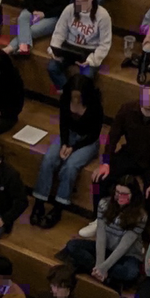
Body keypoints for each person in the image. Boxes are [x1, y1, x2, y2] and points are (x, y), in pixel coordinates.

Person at [34, 69, 102, 228]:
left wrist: (73, 147)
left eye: (79, 96)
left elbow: (94, 134)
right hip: (69, 136)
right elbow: (63, 123)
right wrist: (65, 143)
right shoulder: (65, 99)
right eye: (73, 95)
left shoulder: (95, 106)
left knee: (70, 166)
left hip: (87, 141)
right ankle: (39, 201)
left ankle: (58, 206)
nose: (75, 99)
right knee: (48, 159)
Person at [95, 81, 150, 205]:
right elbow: (113, 137)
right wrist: (106, 162)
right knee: (100, 179)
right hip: (130, 154)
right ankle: (99, 217)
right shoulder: (127, 109)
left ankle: (141, 222)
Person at [47, 0, 117, 93]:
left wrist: (91, 60)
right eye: (77, 1)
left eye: (84, 1)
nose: (80, 4)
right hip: (69, 47)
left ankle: (78, 97)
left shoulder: (102, 15)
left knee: (86, 77)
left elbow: (105, 43)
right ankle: (68, 94)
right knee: (52, 67)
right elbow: (59, 32)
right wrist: (54, 49)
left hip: (89, 51)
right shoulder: (70, 9)